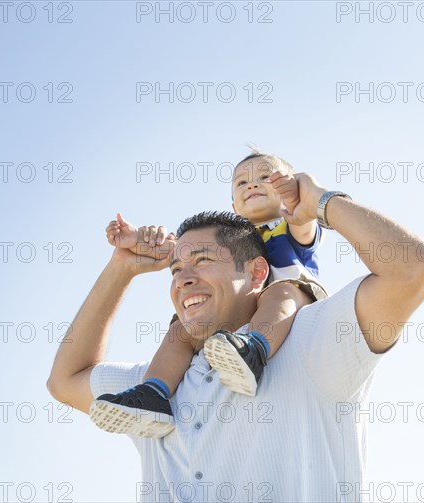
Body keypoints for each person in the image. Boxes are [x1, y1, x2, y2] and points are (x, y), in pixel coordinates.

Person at [47, 171, 424, 502]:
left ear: (255, 273)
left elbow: (413, 270)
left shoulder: (312, 343)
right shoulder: (155, 385)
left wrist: (321, 202)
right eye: (176, 270)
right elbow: (65, 380)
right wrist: (122, 267)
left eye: (202, 261)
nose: (183, 279)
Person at [89, 150, 329, 437]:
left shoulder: (291, 225)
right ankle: (154, 393)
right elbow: (182, 250)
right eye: (241, 183)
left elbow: (304, 222)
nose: (251, 185)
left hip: (294, 301)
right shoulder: (233, 237)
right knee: (181, 329)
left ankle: (253, 351)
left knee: (282, 292)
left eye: (265, 177)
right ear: (233, 206)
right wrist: (141, 241)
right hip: (244, 307)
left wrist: (300, 201)